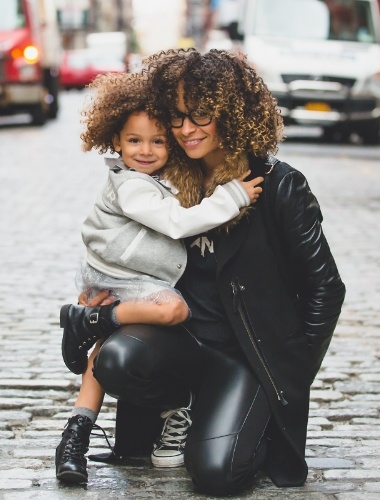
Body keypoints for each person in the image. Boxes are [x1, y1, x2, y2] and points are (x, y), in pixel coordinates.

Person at [90, 48, 345, 496]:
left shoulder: (280, 186)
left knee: (217, 475)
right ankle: (182, 409)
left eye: (201, 115)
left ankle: (244, 419)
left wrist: (290, 373)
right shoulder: (166, 179)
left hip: (246, 356)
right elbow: (118, 244)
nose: (186, 129)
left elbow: (326, 287)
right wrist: (100, 296)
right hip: (182, 342)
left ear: (232, 113)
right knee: (117, 360)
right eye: (178, 116)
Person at [55, 70, 264, 484]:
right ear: (116, 141)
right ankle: (93, 328)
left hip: (123, 274)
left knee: (104, 345)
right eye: (135, 141)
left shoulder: (159, 177)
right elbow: (175, 223)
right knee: (172, 309)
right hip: (125, 275)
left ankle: (74, 433)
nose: (146, 150)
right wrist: (234, 196)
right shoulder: (131, 185)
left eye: (158, 141)